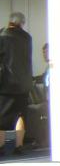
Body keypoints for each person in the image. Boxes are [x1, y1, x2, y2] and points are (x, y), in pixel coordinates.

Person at [0, 12, 34, 140]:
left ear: (10, 22)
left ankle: (1, 145)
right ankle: (19, 145)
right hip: (24, 85)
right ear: (22, 23)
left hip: (7, 84)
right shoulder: (27, 38)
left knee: (2, 116)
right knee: (20, 114)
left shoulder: (2, 35)